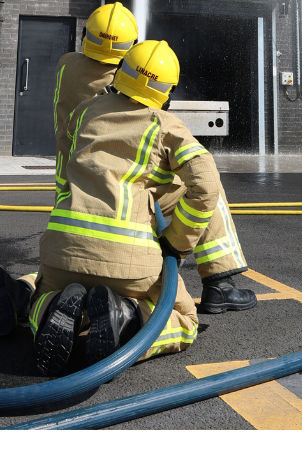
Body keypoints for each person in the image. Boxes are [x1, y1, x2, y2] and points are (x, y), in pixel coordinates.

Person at [22, 39, 255, 376]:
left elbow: (68, 156)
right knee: (185, 320)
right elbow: (206, 185)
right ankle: (129, 320)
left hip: (61, 253)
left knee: (40, 297)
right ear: (167, 90)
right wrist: (176, 243)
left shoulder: (84, 111)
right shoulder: (166, 125)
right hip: (130, 266)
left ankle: (49, 310)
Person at [0, 1, 138, 335]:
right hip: (109, 188)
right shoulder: (123, 82)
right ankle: (216, 279)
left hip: (67, 187)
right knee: (112, 266)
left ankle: (23, 292)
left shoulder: (68, 65)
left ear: (85, 36)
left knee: (65, 263)